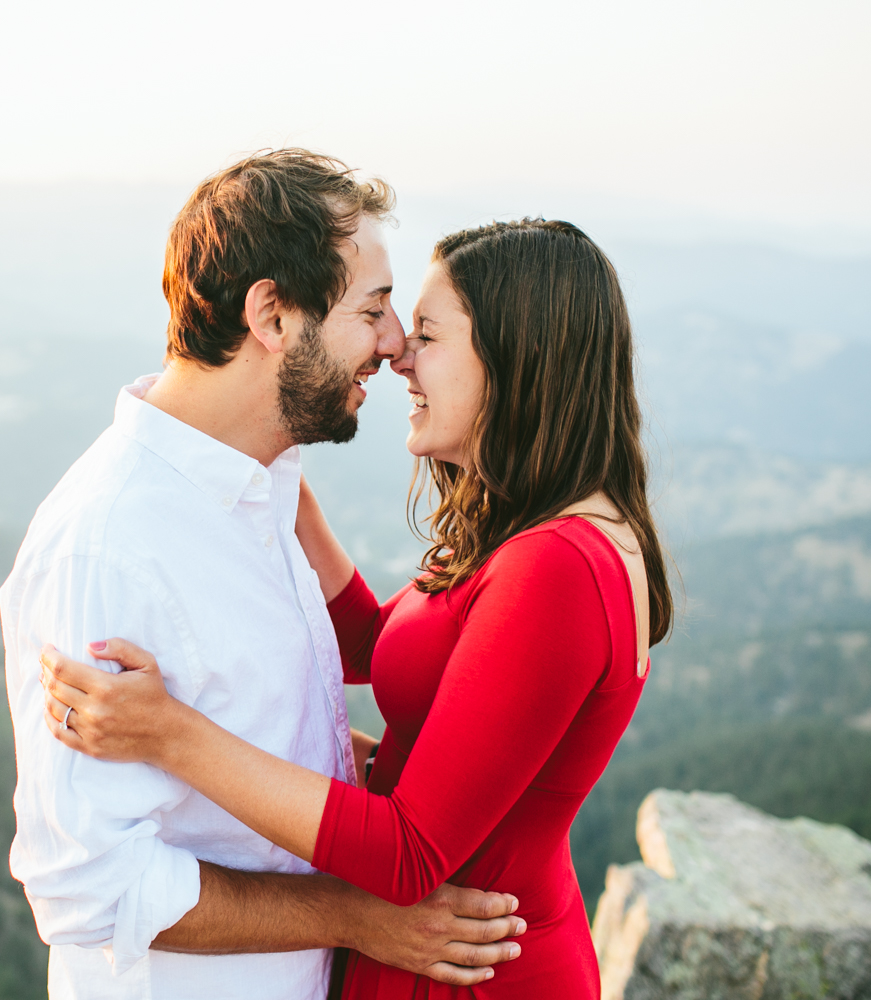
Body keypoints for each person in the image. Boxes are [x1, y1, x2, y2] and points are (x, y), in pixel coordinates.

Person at [38, 218, 674, 999]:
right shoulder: (533, 528)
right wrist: (272, 487)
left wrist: (171, 735)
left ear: (518, 358)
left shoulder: (558, 569)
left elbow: (410, 851)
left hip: (467, 969)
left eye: (429, 335)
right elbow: (384, 649)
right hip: (433, 956)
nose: (399, 350)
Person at [0, 151, 524, 1000]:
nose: (392, 345)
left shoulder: (257, 487)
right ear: (272, 315)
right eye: (372, 310)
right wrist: (357, 914)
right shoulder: (109, 545)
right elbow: (89, 888)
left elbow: (272, 726)